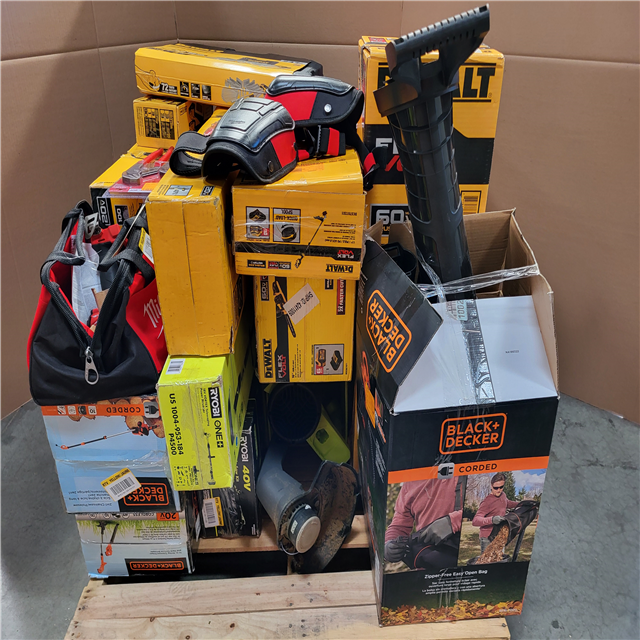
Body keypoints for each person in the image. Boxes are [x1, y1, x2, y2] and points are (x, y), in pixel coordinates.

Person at [384, 476, 465, 570]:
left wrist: (453, 522)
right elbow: (399, 525)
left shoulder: (465, 472)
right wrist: (388, 545)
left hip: (466, 565)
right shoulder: (410, 482)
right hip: (428, 570)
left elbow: (476, 514)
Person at [472, 472, 519, 553]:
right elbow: (475, 521)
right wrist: (492, 519)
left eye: (501, 487)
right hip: (487, 538)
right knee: (487, 561)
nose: (499, 490)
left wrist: (520, 504)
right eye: (496, 488)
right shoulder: (487, 502)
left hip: (500, 535)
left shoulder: (503, 495)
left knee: (501, 559)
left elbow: (507, 503)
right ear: (491, 486)